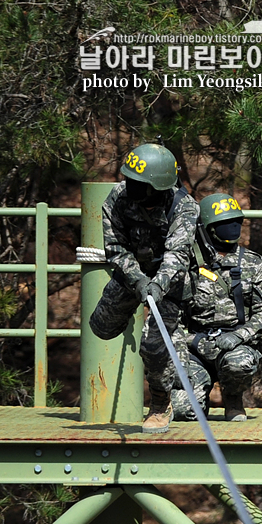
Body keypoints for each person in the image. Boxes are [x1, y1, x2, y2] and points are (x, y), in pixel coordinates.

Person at [87, 142, 200, 433]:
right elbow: (115, 247)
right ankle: (149, 329)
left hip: (170, 281)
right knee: (101, 327)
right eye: (128, 179)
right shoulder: (116, 198)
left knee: (153, 345)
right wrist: (138, 281)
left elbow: (178, 255)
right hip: (132, 273)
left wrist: (157, 287)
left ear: (157, 187)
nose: (128, 185)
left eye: (137, 183)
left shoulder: (185, 207)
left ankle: (161, 403)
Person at [168, 194, 262, 422]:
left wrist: (240, 335)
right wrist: (190, 340)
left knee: (238, 364)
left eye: (236, 222)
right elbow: (170, 315)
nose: (232, 228)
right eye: (223, 224)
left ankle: (233, 398)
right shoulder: (187, 263)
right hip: (193, 350)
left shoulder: (253, 263)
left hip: (233, 347)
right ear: (207, 228)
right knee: (184, 411)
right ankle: (199, 397)